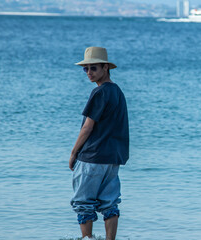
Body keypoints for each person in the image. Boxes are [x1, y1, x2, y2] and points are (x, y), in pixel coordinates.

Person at [69, 46, 129, 240]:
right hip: (112, 159)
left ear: (105, 67)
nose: (89, 73)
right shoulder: (117, 92)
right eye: (85, 69)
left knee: (83, 203)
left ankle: (87, 239)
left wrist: (73, 153)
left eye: (93, 68)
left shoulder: (99, 92)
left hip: (92, 157)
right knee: (110, 203)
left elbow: (87, 127)